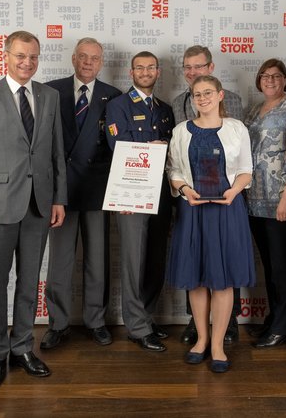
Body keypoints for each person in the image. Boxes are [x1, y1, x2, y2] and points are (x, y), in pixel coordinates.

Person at [0, 30, 67, 393]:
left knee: (28, 284)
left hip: (39, 204)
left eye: (34, 56)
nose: (28, 63)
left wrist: (58, 199)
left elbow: (55, 153)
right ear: (6, 56)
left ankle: (22, 347)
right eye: (21, 56)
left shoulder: (49, 96)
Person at [166, 75, 256, 373]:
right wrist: (183, 189)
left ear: (220, 95)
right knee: (196, 277)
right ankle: (201, 339)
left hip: (227, 210)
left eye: (207, 93)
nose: (202, 98)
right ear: (191, 98)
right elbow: (175, 171)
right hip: (193, 210)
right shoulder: (180, 131)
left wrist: (234, 191)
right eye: (196, 94)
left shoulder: (236, 129)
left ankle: (218, 344)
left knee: (223, 278)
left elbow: (246, 170)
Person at [40, 38, 122, 350]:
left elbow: (120, 149)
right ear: (74, 58)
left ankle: (96, 321)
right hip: (60, 191)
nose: (88, 62)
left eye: (95, 58)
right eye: (83, 57)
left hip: (99, 190)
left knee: (97, 260)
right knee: (60, 262)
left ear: (101, 63)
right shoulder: (49, 91)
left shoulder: (112, 96)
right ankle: (58, 324)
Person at [171, 45, 244, 346]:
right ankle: (198, 326)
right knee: (195, 264)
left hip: (226, 195)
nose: (192, 72)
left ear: (211, 68)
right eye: (187, 67)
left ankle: (228, 324)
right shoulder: (178, 104)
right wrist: (183, 188)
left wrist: (235, 188)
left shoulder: (235, 107)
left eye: (198, 66)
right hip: (192, 198)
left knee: (224, 264)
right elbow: (176, 159)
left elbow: (238, 154)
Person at [105, 51, 175, 352]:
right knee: (134, 260)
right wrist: (150, 147)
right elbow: (117, 146)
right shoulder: (117, 106)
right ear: (130, 73)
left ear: (157, 72)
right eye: (139, 68)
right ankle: (135, 327)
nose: (145, 72)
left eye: (150, 67)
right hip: (131, 193)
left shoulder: (166, 109)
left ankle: (145, 317)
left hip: (161, 193)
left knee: (155, 259)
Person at [243, 59, 286, 348]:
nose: (270, 80)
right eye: (265, 75)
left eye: (277, 76)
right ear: (259, 79)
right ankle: (274, 318)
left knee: (283, 266)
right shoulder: (253, 110)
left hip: (280, 199)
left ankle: (285, 327)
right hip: (254, 199)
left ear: (285, 80)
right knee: (269, 264)